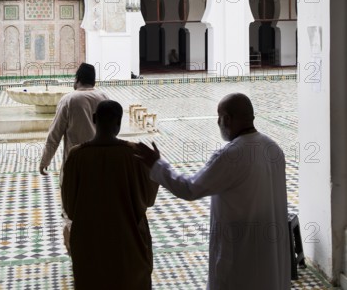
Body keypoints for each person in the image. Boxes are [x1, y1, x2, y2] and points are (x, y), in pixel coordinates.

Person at [135, 93, 291, 290]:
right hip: (269, 250)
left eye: (219, 117)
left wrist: (157, 165)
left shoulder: (232, 155)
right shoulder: (273, 148)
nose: (218, 122)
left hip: (240, 255)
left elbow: (189, 189)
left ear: (227, 119)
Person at [61, 100, 159, 290]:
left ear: (94, 119)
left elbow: (70, 207)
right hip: (128, 243)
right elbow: (148, 199)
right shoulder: (134, 155)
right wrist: (155, 168)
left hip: (90, 243)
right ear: (119, 123)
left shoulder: (77, 156)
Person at [39, 62, 109, 175]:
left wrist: (45, 161)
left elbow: (55, 135)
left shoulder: (69, 100)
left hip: (76, 163)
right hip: (100, 162)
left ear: (77, 79)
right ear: (93, 81)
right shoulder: (104, 97)